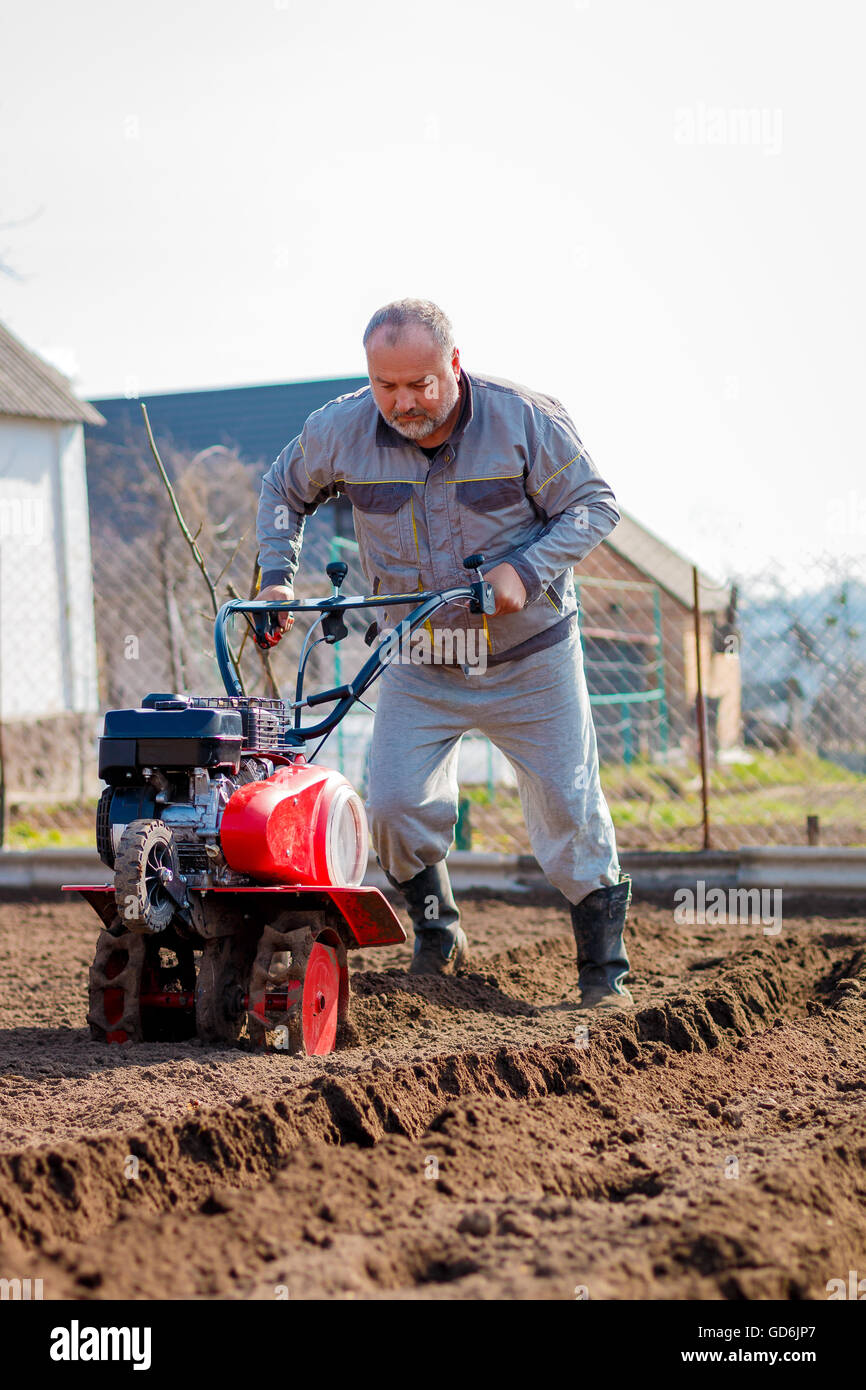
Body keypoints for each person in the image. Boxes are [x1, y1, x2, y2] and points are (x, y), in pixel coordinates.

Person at [256, 298, 632, 1009]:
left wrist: (527, 568)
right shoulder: (338, 431)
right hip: (420, 656)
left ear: (453, 366)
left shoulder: (525, 421)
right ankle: (439, 930)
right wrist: (275, 576)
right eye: (385, 386)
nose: (402, 402)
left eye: (420, 384)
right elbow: (281, 488)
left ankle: (602, 974)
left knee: (568, 806)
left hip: (529, 656)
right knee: (394, 809)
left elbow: (593, 504)